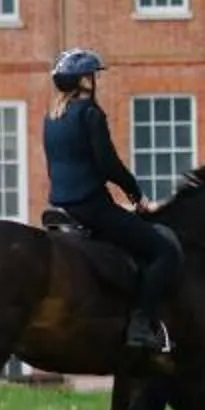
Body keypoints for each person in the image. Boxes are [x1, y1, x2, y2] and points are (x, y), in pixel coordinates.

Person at [42, 48, 181, 354]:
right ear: (83, 80)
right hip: (92, 208)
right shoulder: (91, 114)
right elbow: (108, 165)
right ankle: (140, 326)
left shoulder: (52, 117)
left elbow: (59, 166)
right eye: (92, 75)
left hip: (63, 206)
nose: (95, 80)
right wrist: (138, 196)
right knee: (163, 251)